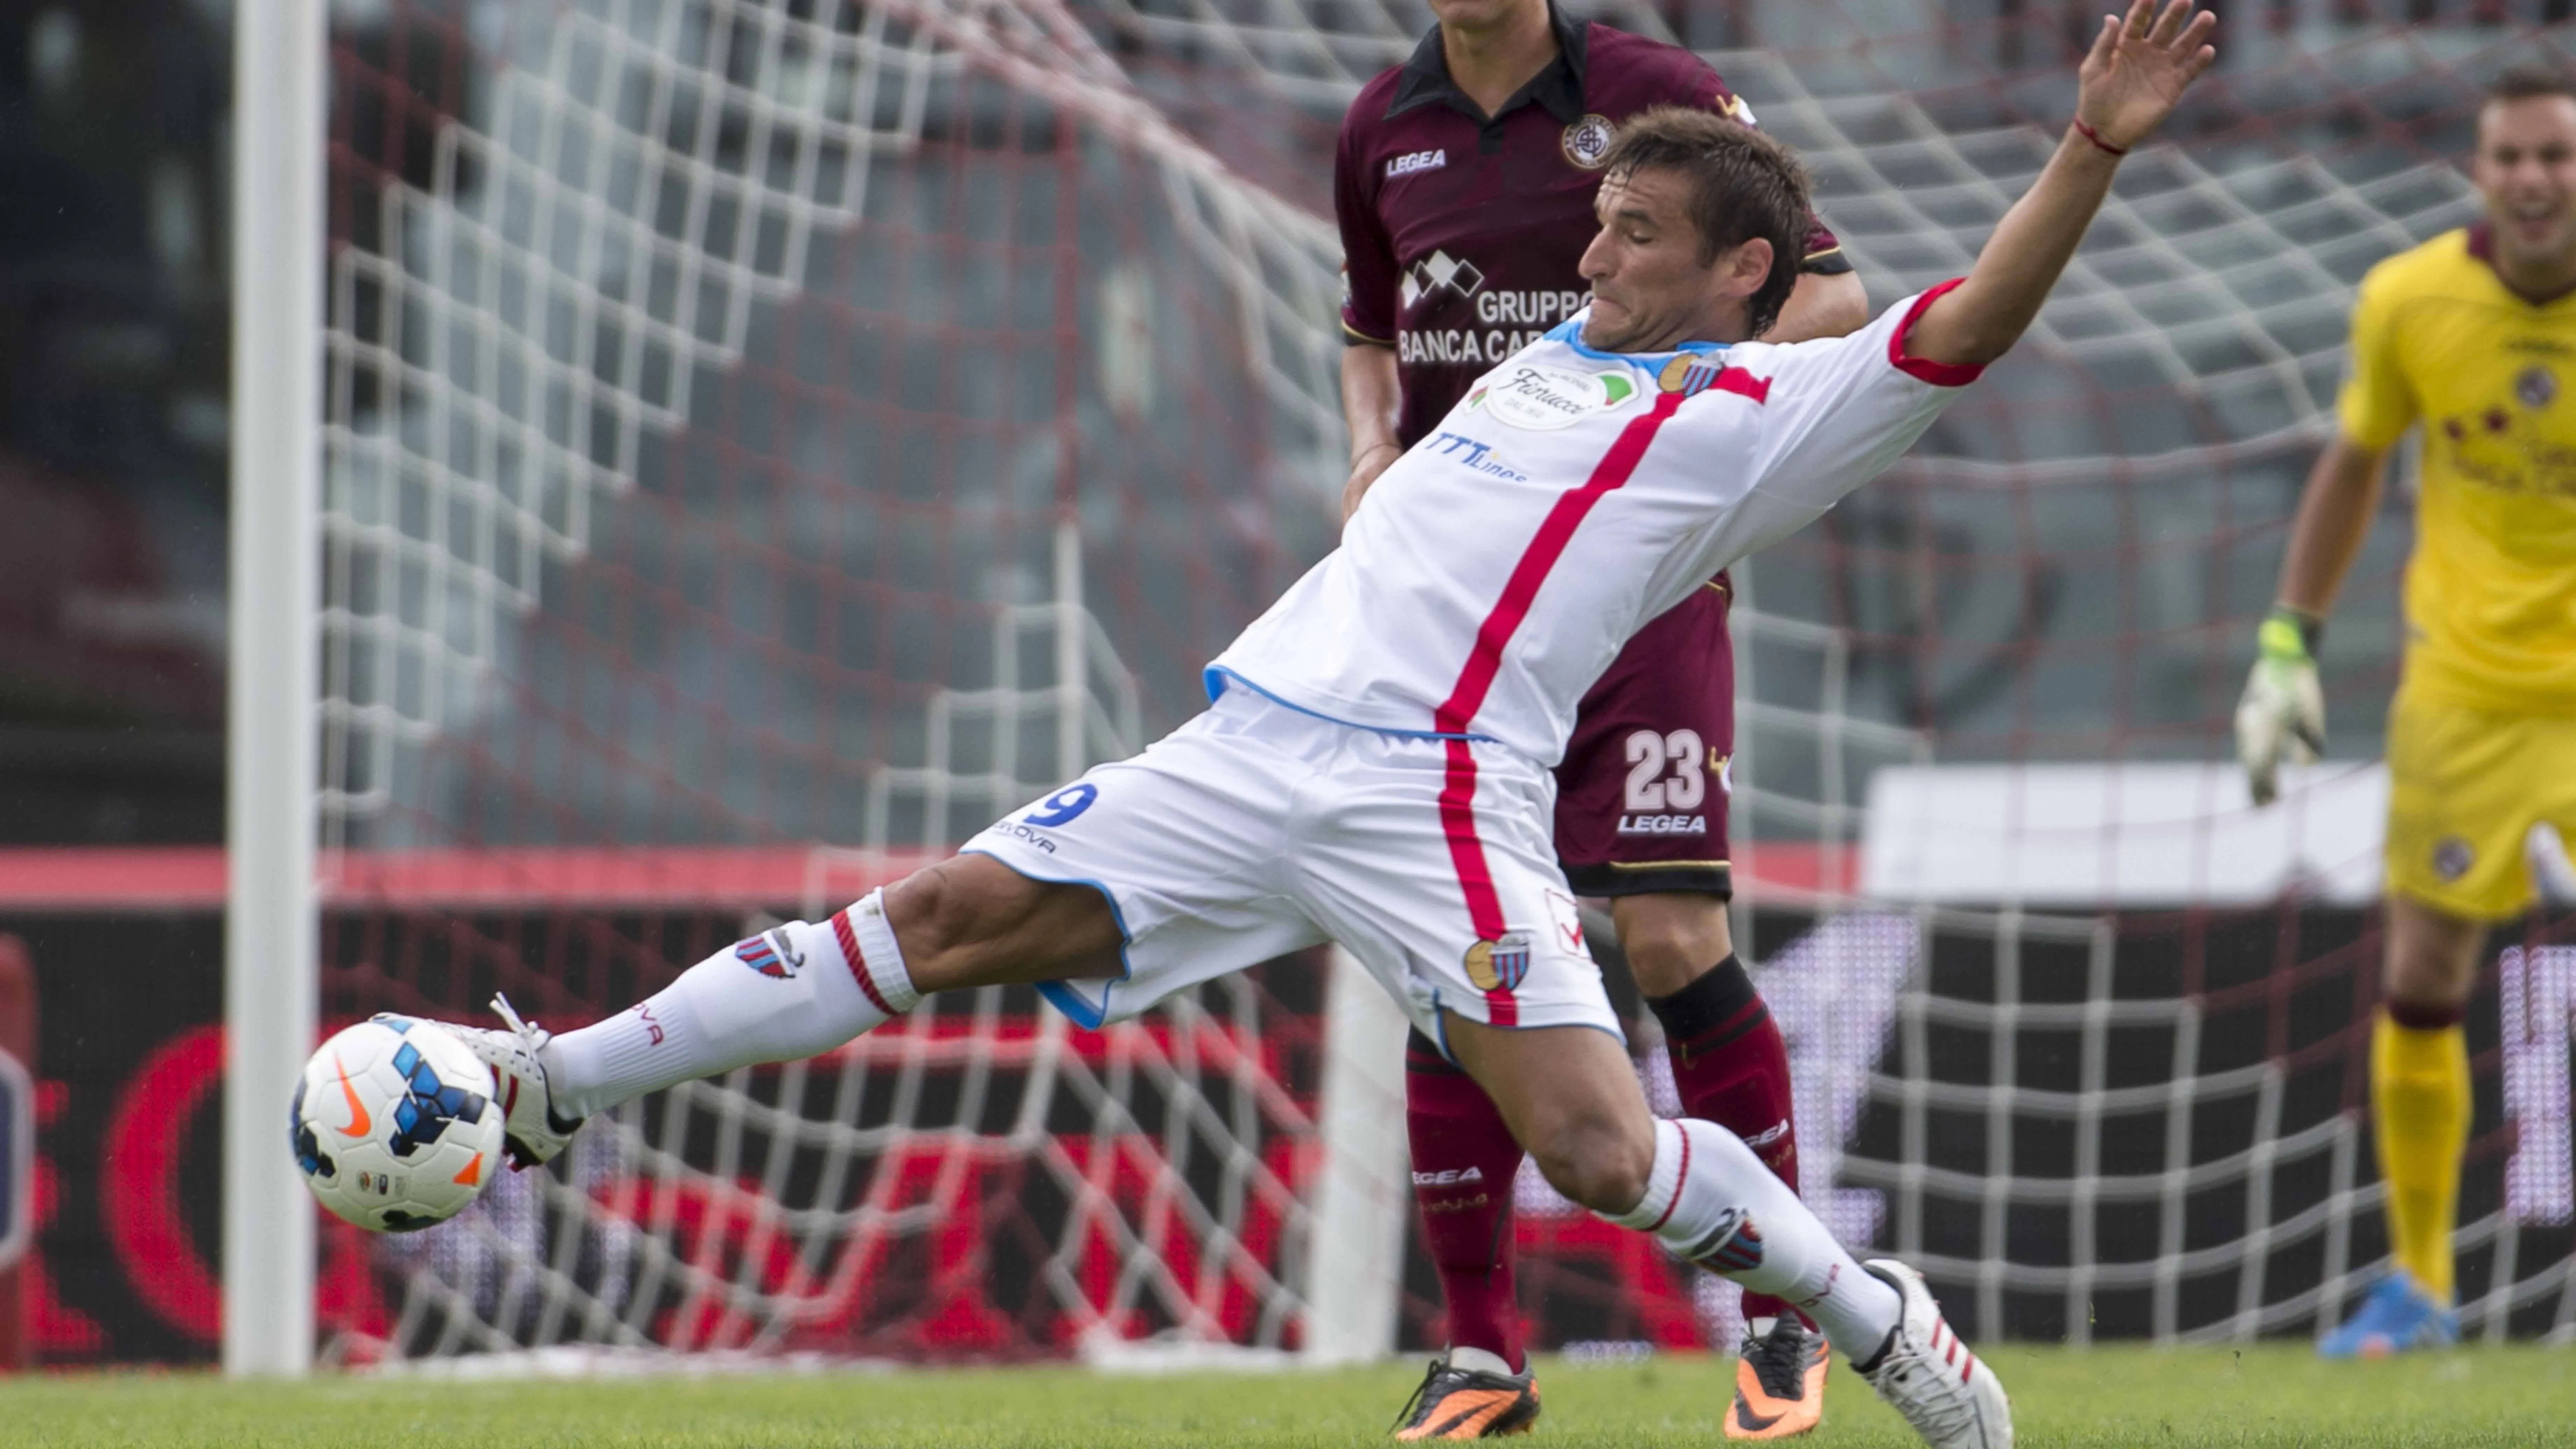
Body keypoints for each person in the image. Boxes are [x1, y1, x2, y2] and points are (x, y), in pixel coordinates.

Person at [443, 7, 2214, 1444]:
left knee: (1602, 1156)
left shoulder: (1764, 414)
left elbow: (1969, 322)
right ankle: (550, 1083)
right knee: (940, 917)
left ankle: (1869, 1316)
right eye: (1600, 218)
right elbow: (1398, 340)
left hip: (1437, 797)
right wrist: (1373, 430)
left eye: (1639, 232)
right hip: (1249, 741)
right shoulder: (1543, 353)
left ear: (1745, 268)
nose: (1592, 249)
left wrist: (2091, 147)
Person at [1330, 1, 1866, 1436]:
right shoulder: (1379, 123)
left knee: (1674, 933)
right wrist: (1375, 447)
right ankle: (1481, 1356)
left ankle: (1775, 1324)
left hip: (1631, 576)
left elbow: (1827, 294)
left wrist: (1647, 412)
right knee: (1463, 950)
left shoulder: (1653, 90)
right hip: (1452, 609)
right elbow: (1369, 333)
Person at [2236, 64, 2576, 1360]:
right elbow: (2356, 464)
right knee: (2424, 981)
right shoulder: (2412, 298)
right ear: (2480, 171)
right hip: (2466, 695)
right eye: (2513, 157)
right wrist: (2287, 647)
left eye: (2558, 154)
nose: (2535, 179)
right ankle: (2422, 1285)